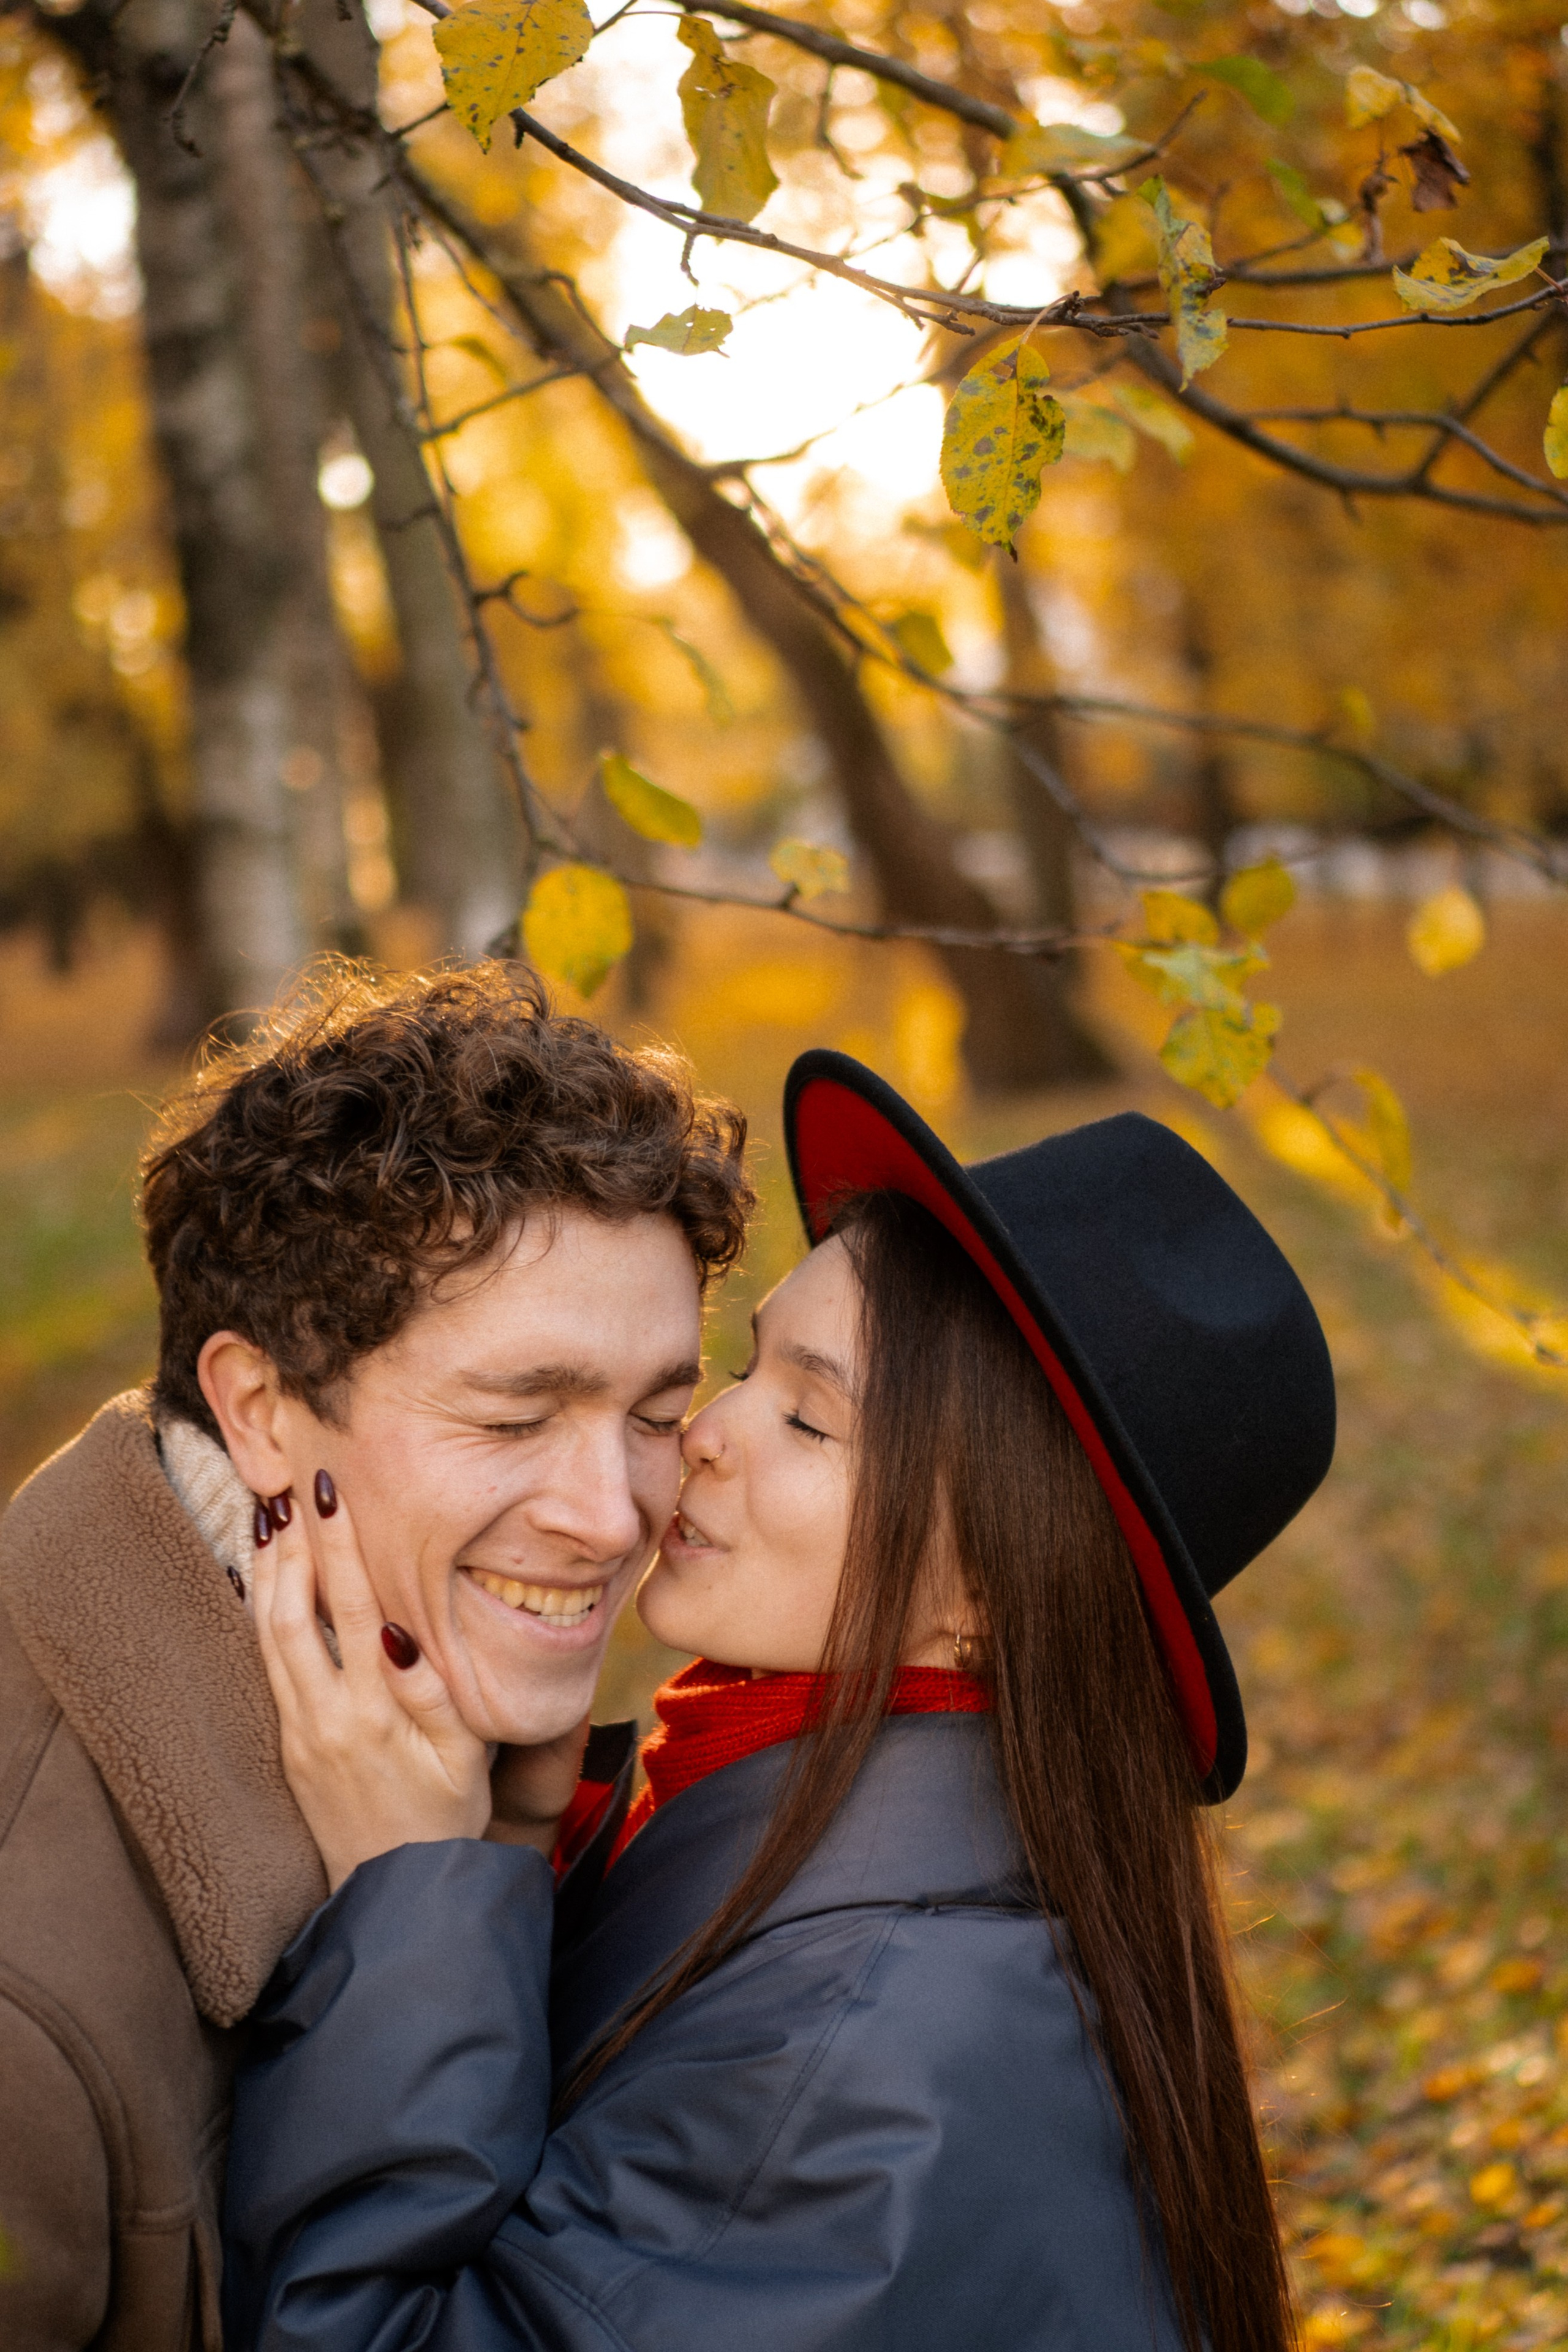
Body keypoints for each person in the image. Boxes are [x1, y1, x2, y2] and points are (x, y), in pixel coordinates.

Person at [222, 1049, 1336, 2352]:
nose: (704, 1430)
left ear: (985, 1598)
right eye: (747, 1371)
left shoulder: (866, 2055)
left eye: (808, 1423)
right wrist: (524, 1848)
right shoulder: (812, 1836)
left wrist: (410, 1896)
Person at [0, 962, 751, 2352]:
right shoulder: (27, 2014)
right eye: (516, 1417)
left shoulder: (464, 1734)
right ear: (261, 1411)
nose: (612, 1518)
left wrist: (499, 1860)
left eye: (657, 1412)